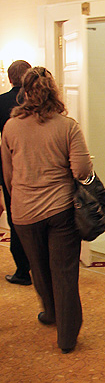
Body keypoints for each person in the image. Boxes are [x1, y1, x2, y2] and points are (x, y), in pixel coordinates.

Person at [1, 67, 92, 354]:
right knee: (64, 272)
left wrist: (18, 196)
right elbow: (82, 170)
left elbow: (7, 174)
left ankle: (50, 313)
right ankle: (66, 338)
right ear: (54, 91)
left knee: (39, 269)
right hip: (60, 209)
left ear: (23, 93)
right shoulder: (67, 126)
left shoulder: (10, 127)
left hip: (24, 211)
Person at [0, 59, 32, 285]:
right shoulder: (37, 101)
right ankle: (42, 267)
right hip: (38, 168)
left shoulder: (1, 102)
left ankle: (22, 271)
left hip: (10, 168)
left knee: (16, 220)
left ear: (10, 78)